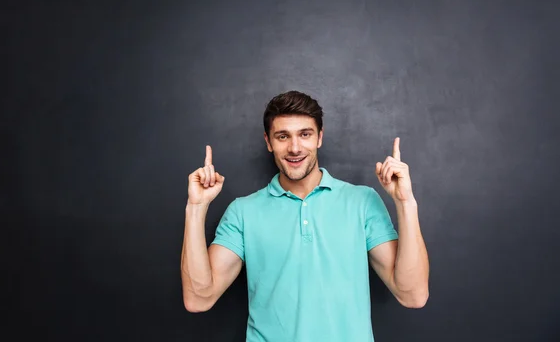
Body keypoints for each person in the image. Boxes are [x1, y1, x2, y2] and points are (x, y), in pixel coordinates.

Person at [181, 90, 429, 341]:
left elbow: (413, 295)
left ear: (320, 137)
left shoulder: (362, 201)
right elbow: (198, 299)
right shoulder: (243, 212)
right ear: (268, 142)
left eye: (305, 134)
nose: (295, 147)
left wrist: (405, 202)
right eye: (282, 136)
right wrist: (196, 207)